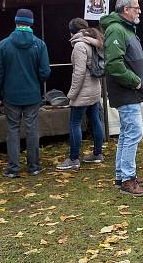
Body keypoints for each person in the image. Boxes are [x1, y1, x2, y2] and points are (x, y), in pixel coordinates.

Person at [0, 8, 51, 178]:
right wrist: (36, 81)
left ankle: (13, 168)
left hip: (11, 96)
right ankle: (34, 167)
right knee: (32, 130)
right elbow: (45, 72)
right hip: (32, 95)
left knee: (12, 130)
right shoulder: (39, 44)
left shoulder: (3, 45)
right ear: (31, 23)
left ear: (16, 22)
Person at [100, 0, 143, 196]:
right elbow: (113, 64)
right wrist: (135, 80)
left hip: (131, 91)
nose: (139, 11)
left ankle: (122, 176)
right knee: (134, 133)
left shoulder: (126, 29)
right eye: (136, 7)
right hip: (126, 91)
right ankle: (128, 179)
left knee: (126, 134)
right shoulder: (116, 29)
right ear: (125, 9)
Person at [56, 18, 105, 172]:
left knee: (75, 123)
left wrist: (71, 94)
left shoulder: (79, 46)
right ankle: (97, 154)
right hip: (95, 88)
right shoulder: (94, 41)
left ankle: (73, 159)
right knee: (95, 119)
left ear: (71, 31)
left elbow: (79, 72)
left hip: (83, 91)